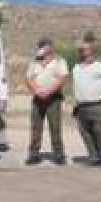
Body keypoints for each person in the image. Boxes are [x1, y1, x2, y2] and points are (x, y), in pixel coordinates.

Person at [72, 41, 101, 167]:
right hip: (81, 105)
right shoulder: (76, 67)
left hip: (98, 104)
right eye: (80, 50)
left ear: (92, 50)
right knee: (85, 132)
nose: (81, 51)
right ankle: (94, 156)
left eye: (84, 49)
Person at [24, 38, 69, 166]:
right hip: (38, 98)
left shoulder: (59, 61)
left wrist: (49, 91)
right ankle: (33, 154)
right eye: (41, 46)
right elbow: (28, 79)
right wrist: (36, 90)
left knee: (55, 127)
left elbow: (62, 78)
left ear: (51, 47)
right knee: (36, 128)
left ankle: (59, 154)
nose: (42, 48)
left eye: (45, 45)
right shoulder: (34, 62)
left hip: (53, 99)